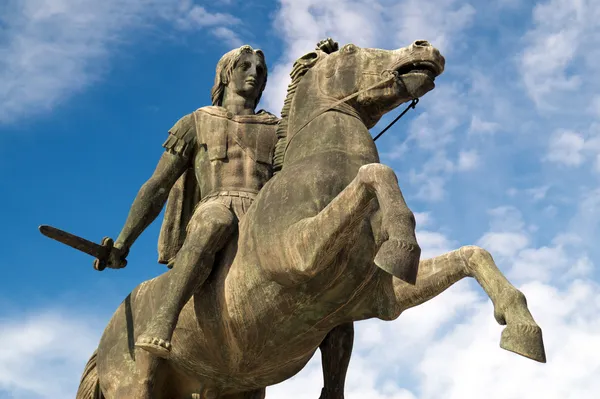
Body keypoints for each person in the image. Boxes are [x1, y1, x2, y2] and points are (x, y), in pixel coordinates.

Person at [105, 44, 279, 357]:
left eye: (260, 70)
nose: (254, 73)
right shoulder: (196, 122)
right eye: (245, 66)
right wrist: (123, 243)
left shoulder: (278, 130)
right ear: (226, 75)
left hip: (264, 213)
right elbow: (157, 187)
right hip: (217, 204)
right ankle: (163, 320)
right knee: (215, 221)